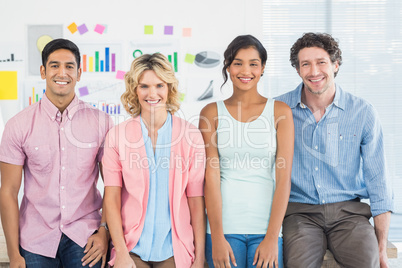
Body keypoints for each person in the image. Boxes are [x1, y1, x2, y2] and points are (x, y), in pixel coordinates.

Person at [275, 32, 394, 268]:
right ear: (298, 70)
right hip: (300, 214)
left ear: (335, 65)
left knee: (366, 263)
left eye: (321, 62)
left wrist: (381, 248)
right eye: (305, 64)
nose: (314, 71)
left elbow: (378, 181)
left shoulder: (363, 112)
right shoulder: (279, 110)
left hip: (350, 214)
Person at [0, 38, 113, 268]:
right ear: (43, 71)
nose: (62, 72)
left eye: (69, 66)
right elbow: (8, 192)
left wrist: (105, 232)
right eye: (54, 65)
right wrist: (14, 256)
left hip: (85, 235)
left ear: (79, 73)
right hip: (35, 238)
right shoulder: (18, 125)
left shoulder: (101, 122)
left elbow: (112, 185)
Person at [102, 53, 206, 268]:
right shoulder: (117, 135)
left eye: (159, 85)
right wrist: (121, 252)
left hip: (174, 249)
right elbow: (111, 198)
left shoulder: (190, 135)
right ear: (134, 89)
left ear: (169, 88)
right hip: (131, 247)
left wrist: (200, 257)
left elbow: (196, 201)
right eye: (144, 86)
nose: (152, 93)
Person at [199, 35, 294, 268]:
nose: (246, 70)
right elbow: (211, 178)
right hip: (223, 230)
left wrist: (273, 237)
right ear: (228, 67)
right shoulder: (210, 112)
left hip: (266, 229)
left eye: (253, 63)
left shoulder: (280, 112)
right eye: (238, 63)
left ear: (262, 68)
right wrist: (218, 237)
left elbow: (283, 179)